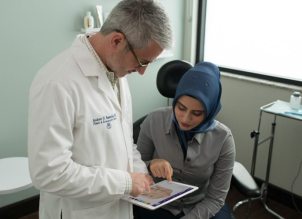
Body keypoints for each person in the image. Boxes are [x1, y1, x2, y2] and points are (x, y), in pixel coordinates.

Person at [27, 0, 172, 219]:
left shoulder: (116, 71)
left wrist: (141, 175)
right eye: (143, 62)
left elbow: (123, 140)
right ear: (116, 40)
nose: (142, 72)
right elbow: (49, 173)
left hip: (117, 205)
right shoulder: (56, 82)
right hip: (78, 212)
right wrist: (124, 182)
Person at [134, 62, 236, 219]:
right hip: (159, 203)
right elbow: (135, 168)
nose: (185, 119)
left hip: (200, 204)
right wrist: (150, 164)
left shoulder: (223, 138)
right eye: (181, 108)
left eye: (196, 113)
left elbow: (216, 199)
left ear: (210, 111)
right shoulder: (153, 120)